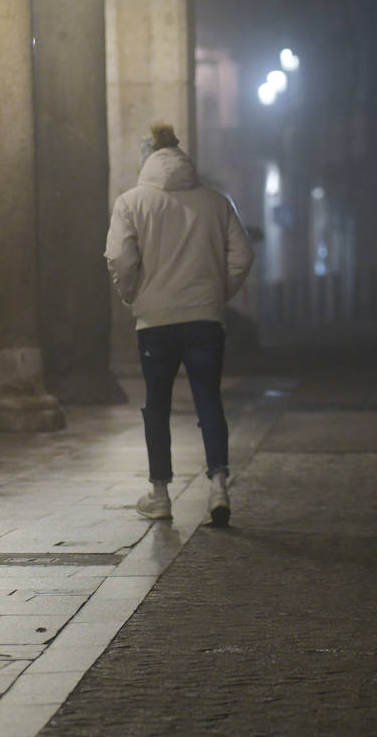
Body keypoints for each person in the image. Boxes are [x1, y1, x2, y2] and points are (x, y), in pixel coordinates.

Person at [105, 124, 255, 527]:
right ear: (181, 156)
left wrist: (133, 294)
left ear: (148, 158)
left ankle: (160, 494)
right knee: (209, 400)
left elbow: (119, 258)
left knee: (157, 405)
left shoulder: (131, 203)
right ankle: (219, 486)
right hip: (205, 320)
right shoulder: (216, 202)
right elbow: (242, 256)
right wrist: (214, 294)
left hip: (155, 322)